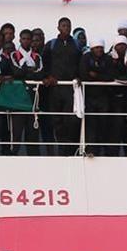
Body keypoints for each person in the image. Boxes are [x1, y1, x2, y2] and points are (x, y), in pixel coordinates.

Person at [43, 17, 83, 151]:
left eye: (68, 26)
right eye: (64, 26)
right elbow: (45, 63)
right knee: (56, 119)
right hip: (55, 87)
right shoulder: (51, 44)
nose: (66, 28)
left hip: (71, 87)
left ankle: (70, 148)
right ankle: (61, 146)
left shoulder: (77, 45)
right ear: (58, 28)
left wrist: (78, 77)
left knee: (70, 119)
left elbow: (80, 63)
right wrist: (48, 76)